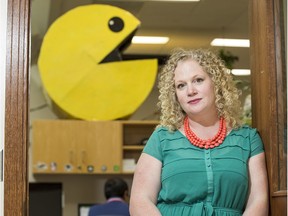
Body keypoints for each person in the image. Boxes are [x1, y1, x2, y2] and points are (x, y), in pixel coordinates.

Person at [129, 48, 269, 216]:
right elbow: (140, 200)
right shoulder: (161, 138)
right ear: (175, 95)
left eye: (198, 80)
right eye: (181, 85)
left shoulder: (248, 138)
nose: (190, 91)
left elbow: (258, 200)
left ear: (216, 83)